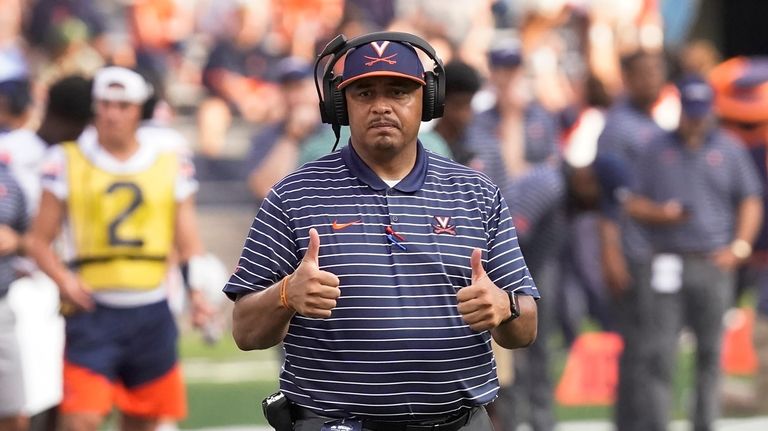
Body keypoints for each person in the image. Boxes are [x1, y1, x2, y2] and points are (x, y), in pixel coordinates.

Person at [224, 32, 539, 430]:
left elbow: (526, 327)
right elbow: (245, 331)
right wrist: (286, 294)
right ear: (341, 104)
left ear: (427, 102)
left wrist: (504, 307)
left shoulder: (476, 194)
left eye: (398, 91)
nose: (382, 106)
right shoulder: (294, 195)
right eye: (365, 94)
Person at [26, 66, 213, 431]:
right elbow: (38, 240)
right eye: (105, 104)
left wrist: (197, 294)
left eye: (123, 105)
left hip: (151, 310)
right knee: (80, 419)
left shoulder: (168, 161)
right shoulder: (66, 160)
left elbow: (187, 242)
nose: (112, 113)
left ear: (139, 110)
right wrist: (64, 281)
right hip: (93, 311)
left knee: (145, 420)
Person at [630, 75, 763, 431]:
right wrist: (662, 214)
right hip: (667, 260)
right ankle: (658, 424)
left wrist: (740, 246)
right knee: (659, 353)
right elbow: (632, 202)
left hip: (714, 261)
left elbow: (751, 199)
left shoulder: (729, 148)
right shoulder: (656, 148)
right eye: (691, 112)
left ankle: (705, 424)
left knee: (710, 352)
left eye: (702, 112)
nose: (696, 119)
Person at [0, 75, 92, 431]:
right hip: (24, 283)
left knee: (59, 392)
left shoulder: (80, 158)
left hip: (57, 279)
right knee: (31, 397)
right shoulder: (13, 151)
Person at [595, 49, 667, 431]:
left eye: (658, 72)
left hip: (653, 249)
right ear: (627, 77)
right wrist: (610, 252)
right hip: (631, 250)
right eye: (644, 73)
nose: (653, 80)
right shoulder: (619, 126)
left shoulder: (651, 121)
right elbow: (607, 198)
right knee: (642, 349)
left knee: (651, 347)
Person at [0, 167, 30, 431]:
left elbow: (33, 237)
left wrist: (16, 240)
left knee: (13, 413)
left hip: (2, 306)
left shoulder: (7, 177)